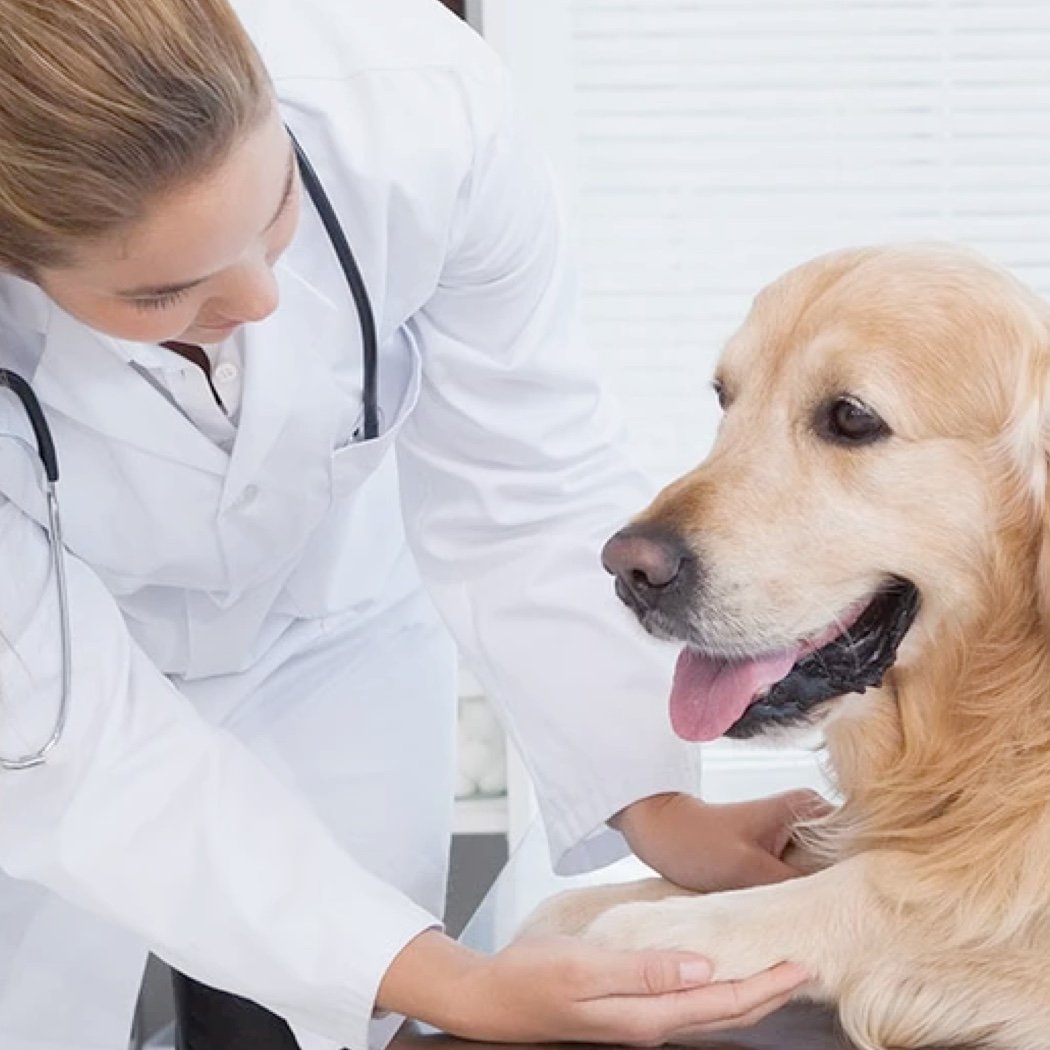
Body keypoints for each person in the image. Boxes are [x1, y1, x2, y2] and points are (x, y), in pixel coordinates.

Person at [0, 1, 813, 1048]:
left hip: (323, 619)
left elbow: (527, 478)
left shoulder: (412, 108)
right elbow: (78, 751)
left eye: (278, 208)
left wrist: (658, 809)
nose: (259, 299)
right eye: (165, 292)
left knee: (334, 1005)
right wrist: (464, 988)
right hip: (37, 704)